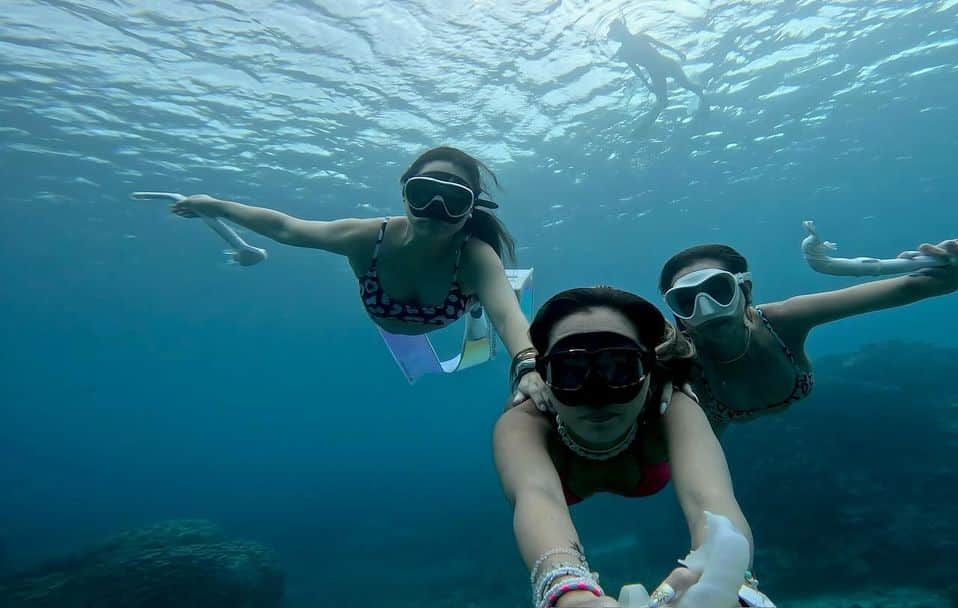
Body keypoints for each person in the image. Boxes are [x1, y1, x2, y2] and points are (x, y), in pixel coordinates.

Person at [169, 146, 553, 407]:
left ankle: (477, 302)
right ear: (405, 195)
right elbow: (287, 228)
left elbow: (506, 317)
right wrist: (215, 205)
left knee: (492, 300)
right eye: (424, 193)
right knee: (489, 292)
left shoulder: (473, 255)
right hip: (415, 315)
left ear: (470, 211)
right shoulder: (368, 237)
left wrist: (527, 365)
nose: (435, 209)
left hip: (460, 298)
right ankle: (480, 297)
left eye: (452, 201)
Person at [494, 287, 755, 608]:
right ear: (544, 376)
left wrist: (726, 580)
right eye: (571, 371)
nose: (596, 392)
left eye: (620, 367)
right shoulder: (526, 421)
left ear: (650, 369)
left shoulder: (672, 407)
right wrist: (570, 593)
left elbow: (712, 500)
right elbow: (537, 497)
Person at [657, 240, 958, 434]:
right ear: (676, 313)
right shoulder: (676, 356)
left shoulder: (785, 319)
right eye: (687, 300)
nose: (706, 308)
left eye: (719, 290)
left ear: (745, 290)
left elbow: (907, 287)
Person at [607, 18, 707, 135]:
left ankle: (703, 97)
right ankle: (643, 129)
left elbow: (660, 45)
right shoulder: (624, 51)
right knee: (663, 101)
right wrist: (648, 85)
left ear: (624, 29)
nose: (617, 36)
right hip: (657, 71)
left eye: (617, 32)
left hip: (665, 65)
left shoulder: (638, 39)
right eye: (615, 34)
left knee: (685, 85)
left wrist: (677, 52)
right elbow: (636, 70)